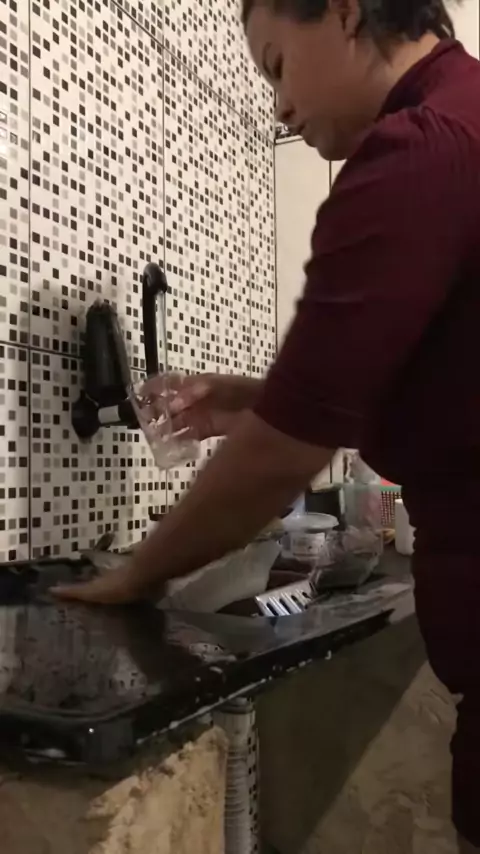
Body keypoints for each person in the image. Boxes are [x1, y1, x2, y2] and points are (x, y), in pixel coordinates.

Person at [54, 0, 480, 848]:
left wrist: (135, 576)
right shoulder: (463, 119)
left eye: (279, 66)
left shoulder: (420, 150)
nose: (278, 108)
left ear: (348, 11)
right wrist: (256, 400)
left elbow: (283, 455)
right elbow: (439, 392)